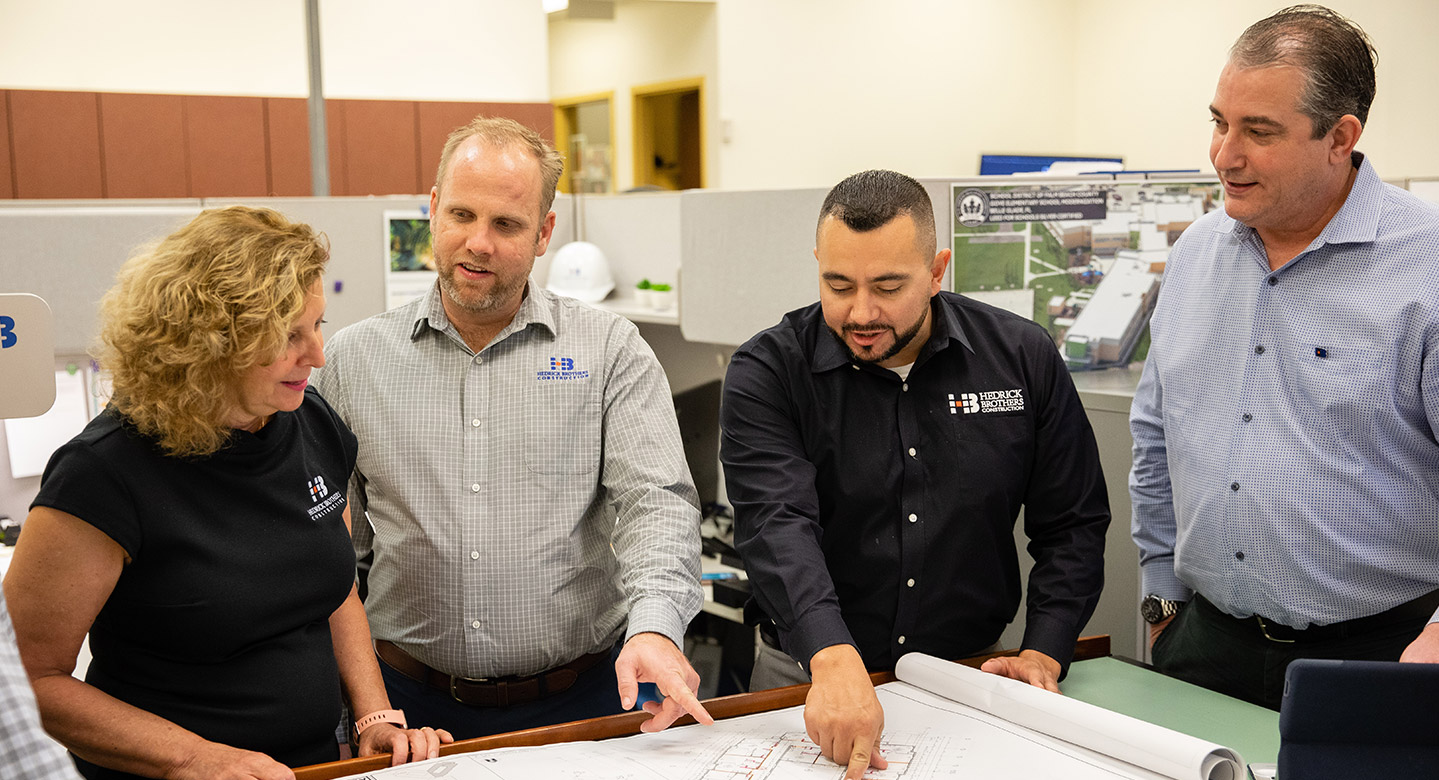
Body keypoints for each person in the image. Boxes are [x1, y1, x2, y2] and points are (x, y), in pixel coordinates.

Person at [3, 207, 450, 780]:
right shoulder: (104, 471)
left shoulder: (308, 420)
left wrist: (373, 716)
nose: (316, 353)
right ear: (212, 343)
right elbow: (28, 677)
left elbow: (336, 588)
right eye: (290, 335)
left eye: (318, 324)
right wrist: (194, 758)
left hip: (309, 769)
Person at [311, 116, 713, 739]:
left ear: (544, 231)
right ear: (434, 210)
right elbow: (336, 554)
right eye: (463, 216)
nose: (479, 243)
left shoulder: (608, 350)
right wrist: (363, 705)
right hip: (408, 709)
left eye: (506, 224)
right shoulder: (349, 362)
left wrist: (656, 625)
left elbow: (655, 504)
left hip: (583, 701)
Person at [720, 169, 1110, 780]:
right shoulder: (769, 371)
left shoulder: (1020, 357)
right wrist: (831, 654)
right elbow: (776, 523)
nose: (861, 312)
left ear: (937, 270)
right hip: (808, 674)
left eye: (888, 285)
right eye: (838, 284)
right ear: (817, 263)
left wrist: (1044, 648)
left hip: (969, 675)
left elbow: (1073, 522)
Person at [1130, 4, 1439, 711]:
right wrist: (1160, 599)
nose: (1223, 155)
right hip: (1203, 641)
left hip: (1380, 655)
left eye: (1257, 132)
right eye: (1218, 121)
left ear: (1339, 137)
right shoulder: (1194, 256)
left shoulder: (1424, 269)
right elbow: (1154, 435)